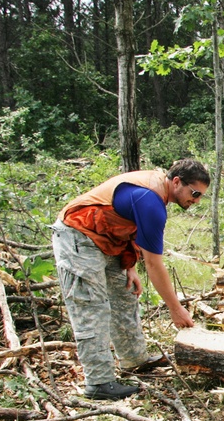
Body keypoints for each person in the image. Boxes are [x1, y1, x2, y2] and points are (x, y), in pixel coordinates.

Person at [51, 158, 209, 400]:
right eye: (194, 193)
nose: (196, 201)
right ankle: (98, 383)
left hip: (108, 240)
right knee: (91, 307)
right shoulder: (151, 202)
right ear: (176, 182)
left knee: (125, 294)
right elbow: (155, 264)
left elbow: (130, 226)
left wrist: (130, 265)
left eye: (200, 196)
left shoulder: (157, 196)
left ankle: (135, 360)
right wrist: (175, 309)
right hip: (78, 236)